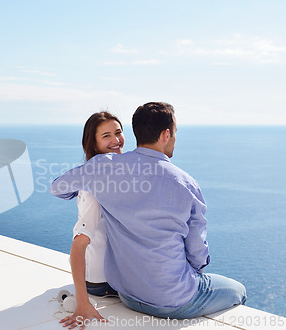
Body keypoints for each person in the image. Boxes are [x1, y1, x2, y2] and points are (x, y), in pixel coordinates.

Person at [51, 102, 246, 320]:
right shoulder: (186, 184)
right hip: (173, 300)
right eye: (175, 133)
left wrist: (88, 182)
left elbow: (57, 187)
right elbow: (197, 254)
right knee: (239, 291)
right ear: (166, 134)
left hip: (127, 294)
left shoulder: (103, 167)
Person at [60, 112, 124, 329]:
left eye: (118, 132)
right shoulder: (96, 185)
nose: (115, 140)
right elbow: (79, 245)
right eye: (106, 136)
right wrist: (83, 302)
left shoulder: (113, 174)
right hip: (101, 283)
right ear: (94, 144)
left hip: (108, 277)